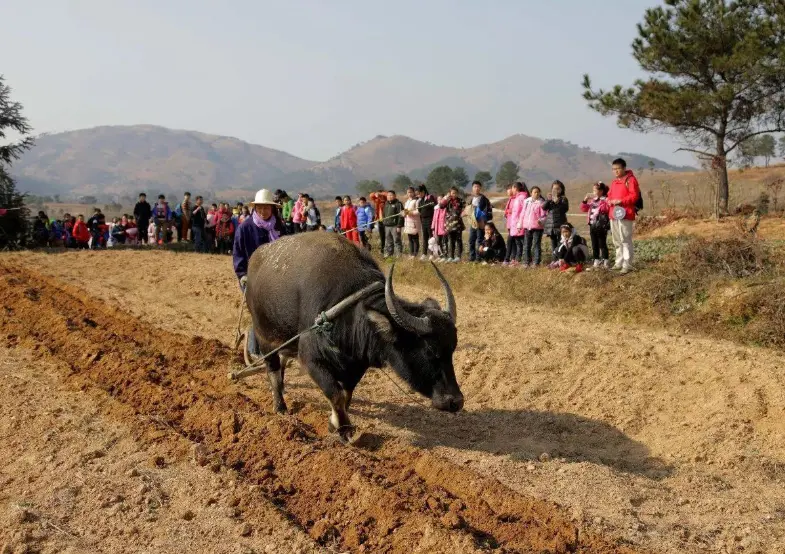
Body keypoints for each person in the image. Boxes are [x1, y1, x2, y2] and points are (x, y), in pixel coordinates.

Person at [233, 189, 286, 357]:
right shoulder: (245, 228)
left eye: (267, 208)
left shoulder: (279, 227)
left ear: (273, 209)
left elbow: (287, 250)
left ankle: (277, 348)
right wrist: (243, 275)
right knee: (259, 313)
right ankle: (254, 351)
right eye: (260, 208)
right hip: (252, 279)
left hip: (276, 277)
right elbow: (238, 254)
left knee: (276, 313)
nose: (264, 211)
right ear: (255, 208)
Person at [608, 158, 641, 274]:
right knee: (616, 240)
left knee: (625, 239)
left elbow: (634, 196)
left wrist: (620, 201)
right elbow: (610, 195)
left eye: (618, 168)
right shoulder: (613, 182)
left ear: (624, 168)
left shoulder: (631, 180)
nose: (615, 171)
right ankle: (619, 262)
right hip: (614, 214)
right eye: (613, 169)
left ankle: (628, 264)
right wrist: (609, 200)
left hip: (625, 213)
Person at [580, 181, 611, 269]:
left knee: (602, 243)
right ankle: (596, 260)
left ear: (601, 191)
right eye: (593, 190)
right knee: (594, 244)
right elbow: (584, 209)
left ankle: (605, 260)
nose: (593, 192)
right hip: (592, 225)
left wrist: (602, 201)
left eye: (595, 190)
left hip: (601, 226)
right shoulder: (592, 201)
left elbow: (606, 209)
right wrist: (585, 200)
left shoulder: (605, 200)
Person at [543, 180, 569, 267]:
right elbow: (544, 207)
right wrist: (548, 200)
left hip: (560, 224)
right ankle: (554, 260)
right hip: (551, 225)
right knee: (553, 243)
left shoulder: (563, 199)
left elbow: (565, 209)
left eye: (558, 189)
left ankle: (560, 260)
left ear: (561, 190)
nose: (556, 191)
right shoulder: (550, 199)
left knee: (560, 243)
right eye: (554, 189)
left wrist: (557, 201)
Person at [467, 180, 494, 262]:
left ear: (480, 188)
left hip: (481, 223)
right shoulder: (470, 199)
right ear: (472, 188)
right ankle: (472, 257)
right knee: (471, 240)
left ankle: (478, 257)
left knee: (479, 241)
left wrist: (483, 218)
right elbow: (467, 211)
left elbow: (489, 213)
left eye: (478, 187)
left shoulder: (485, 200)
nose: (476, 188)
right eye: (475, 186)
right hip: (473, 224)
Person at [521, 186, 547, 267]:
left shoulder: (541, 203)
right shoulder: (527, 202)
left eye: (538, 192)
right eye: (535, 192)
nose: (536, 193)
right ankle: (526, 262)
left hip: (537, 227)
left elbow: (545, 215)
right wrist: (519, 224)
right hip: (527, 227)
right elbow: (523, 213)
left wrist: (541, 221)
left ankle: (536, 262)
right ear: (531, 193)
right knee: (526, 245)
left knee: (536, 244)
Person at [505, 182, 528, 266]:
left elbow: (523, 210)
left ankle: (525, 259)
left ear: (516, 188)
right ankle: (518, 260)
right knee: (518, 242)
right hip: (515, 224)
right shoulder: (518, 198)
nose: (512, 190)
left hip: (520, 223)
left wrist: (520, 222)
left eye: (512, 188)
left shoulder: (522, 197)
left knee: (522, 242)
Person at [441, 187, 465, 262]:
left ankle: (458, 256)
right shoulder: (448, 201)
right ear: (450, 193)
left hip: (458, 223)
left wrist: (462, 213)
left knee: (458, 239)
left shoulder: (461, 201)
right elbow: (441, 206)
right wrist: (446, 198)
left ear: (457, 193)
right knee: (451, 240)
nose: (454, 194)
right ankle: (451, 256)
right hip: (449, 224)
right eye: (452, 193)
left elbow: (465, 209)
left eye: (455, 193)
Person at [416, 185, 437, 261]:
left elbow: (434, 205)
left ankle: (432, 254)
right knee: (424, 238)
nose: (418, 195)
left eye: (419, 193)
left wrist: (431, 203)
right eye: (417, 194)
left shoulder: (430, 197)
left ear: (423, 192)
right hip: (423, 220)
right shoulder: (420, 200)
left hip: (430, 220)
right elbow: (419, 210)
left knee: (431, 238)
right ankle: (424, 253)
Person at [382, 190, 404, 258]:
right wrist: (384, 221)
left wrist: (399, 226)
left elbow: (401, 216)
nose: (389, 197)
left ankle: (398, 254)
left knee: (397, 240)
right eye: (388, 195)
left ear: (395, 196)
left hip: (395, 226)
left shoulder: (398, 204)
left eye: (391, 195)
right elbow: (384, 214)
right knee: (388, 241)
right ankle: (389, 254)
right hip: (387, 225)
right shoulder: (386, 203)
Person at [403, 187, 421, 257]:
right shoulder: (407, 202)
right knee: (410, 239)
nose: (409, 194)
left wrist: (410, 212)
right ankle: (411, 253)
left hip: (414, 222)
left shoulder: (417, 201)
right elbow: (405, 211)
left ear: (414, 192)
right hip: (408, 223)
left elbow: (418, 212)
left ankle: (415, 254)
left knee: (415, 239)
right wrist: (403, 213)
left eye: (411, 192)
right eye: (408, 192)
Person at [369, 188, 387, 253]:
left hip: (386, 220)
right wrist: (376, 194)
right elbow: (371, 195)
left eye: (380, 195)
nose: (378, 196)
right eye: (378, 195)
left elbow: (387, 194)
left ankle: (387, 249)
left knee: (387, 235)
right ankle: (382, 249)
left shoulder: (385, 200)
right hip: (380, 220)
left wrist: (380, 194)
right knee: (382, 235)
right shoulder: (376, 200)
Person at [431, 196, 448, 262]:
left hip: (443, 228)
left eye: (441, 199)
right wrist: (433, 227)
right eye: (438, 199)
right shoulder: (436, 209)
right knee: (438, 242)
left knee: (444, 242)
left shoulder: (445, 208)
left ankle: (445, 256)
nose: (439, 201)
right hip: (436, 228)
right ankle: (440, 256)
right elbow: (434, 219)